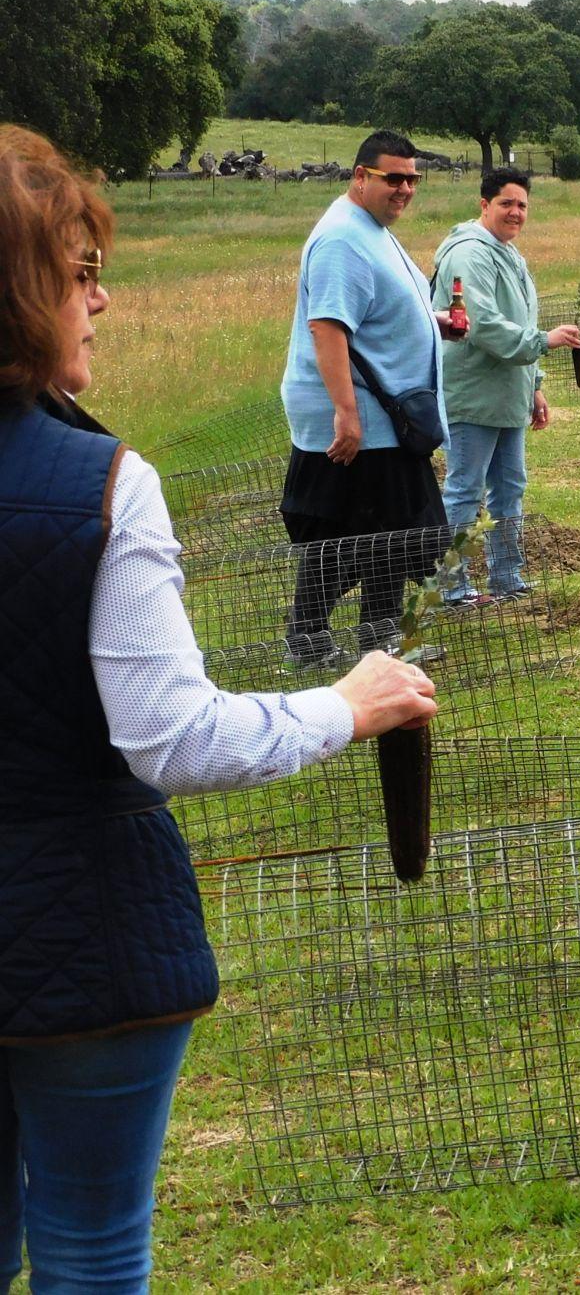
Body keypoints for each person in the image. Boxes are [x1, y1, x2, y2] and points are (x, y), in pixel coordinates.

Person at [0, 123, 437, 1291]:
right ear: (19, 292)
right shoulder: (98, 486)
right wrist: (347, 703)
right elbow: (172, 737)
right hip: (85, 938)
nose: (104, 302)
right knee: (91, 1247)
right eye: (79, 275)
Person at [279, 129, 452, 668]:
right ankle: (312, 641)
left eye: (412, 179)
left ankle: (375, 639)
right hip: (363, 418)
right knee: (348, 533)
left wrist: (434, 323)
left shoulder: (370, 227)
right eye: (392, 178)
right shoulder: (341, 239)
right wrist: (346, 413)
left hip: (385, 417)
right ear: (360, 177)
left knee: (384, 532)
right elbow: (327, 327)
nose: (404, 189)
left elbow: (372, 315)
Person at [431, 166, 580, 604]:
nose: (515, 213)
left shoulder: (508, 252)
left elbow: (519, 319)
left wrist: (533, 384)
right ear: (484, 204)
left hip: (508, 394)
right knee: (464, 490)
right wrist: (542, 342)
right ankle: (452, 586)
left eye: (522, 205)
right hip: (473, 394)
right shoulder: (468, 254)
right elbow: (481, 325)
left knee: (509, 487)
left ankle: (506, 578)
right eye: (506, 204)